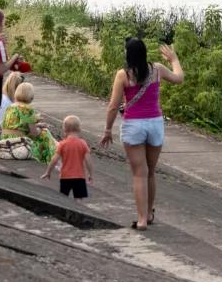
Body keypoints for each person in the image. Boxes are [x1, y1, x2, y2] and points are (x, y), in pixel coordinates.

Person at [100, 38, 184, 231]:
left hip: (133, 126)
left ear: (127, 54)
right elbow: (179, 78)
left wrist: (107, 129)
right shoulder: (157, 69)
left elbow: (113, 106)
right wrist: (174, 59)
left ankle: (141, 220)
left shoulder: (124, 75)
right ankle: (150, 212)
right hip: (155, 124)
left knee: (139, 173)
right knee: (150, 172)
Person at [0, 82, 56, 163]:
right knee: (45, 134)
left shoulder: (10, 107)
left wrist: (37, 125)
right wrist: (40, 128)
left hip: (5, 138)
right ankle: (48, 160)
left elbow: (17, 126)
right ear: (30, 96)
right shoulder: (27, 109)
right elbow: (34, 133)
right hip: (19, 140)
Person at [42, 115, 94, 201]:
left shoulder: (63, 144)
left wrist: (48, 172)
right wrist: (90, 174)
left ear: (64, 129)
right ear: (79, 129)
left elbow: (54, 160)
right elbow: (88, 161)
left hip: (65, 176)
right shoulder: (82, 143)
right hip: (79, 177)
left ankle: (65, 212)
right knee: (78, 198)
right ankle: (78, 212)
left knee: (63, 198)